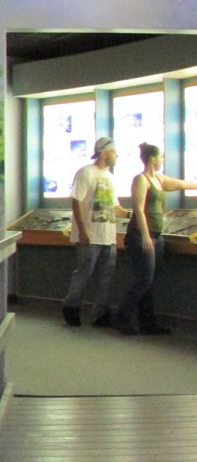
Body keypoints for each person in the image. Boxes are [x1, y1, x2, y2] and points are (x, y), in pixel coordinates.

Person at [113, 143, 195, 335]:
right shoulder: (141, 180)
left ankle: (147, 323)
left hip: (156, 237)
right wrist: (145, 234)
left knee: (149, 281)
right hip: (141, 236)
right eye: (161, 157)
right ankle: (121, 318)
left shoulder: (158, 179)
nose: (163, 160)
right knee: (143, 280)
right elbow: (139, 209)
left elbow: (183, 184)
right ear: (152, 159)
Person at [62, 137, 121, 327]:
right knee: (84, 273)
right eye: (113, 152)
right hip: (90, 235)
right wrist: (82, 230)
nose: (116, 155)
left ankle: (99, 314)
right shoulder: (85, 173)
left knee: (106, 278)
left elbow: (114, 207)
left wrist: (132, 214)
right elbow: (76, 201)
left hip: (108, 237)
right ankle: (71, 307)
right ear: (104, 153)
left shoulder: (111, 177)